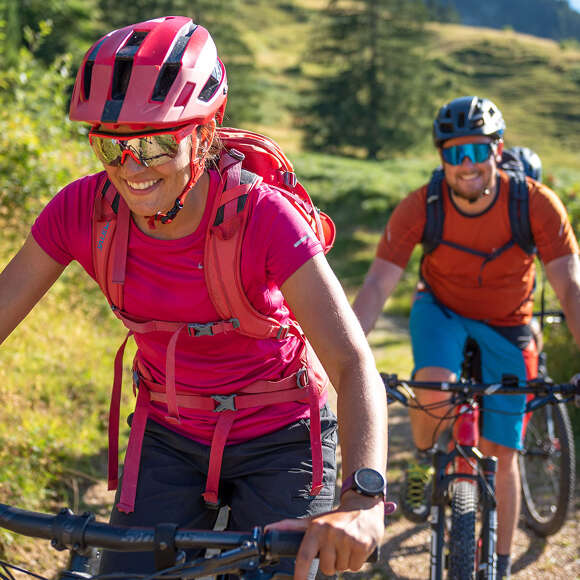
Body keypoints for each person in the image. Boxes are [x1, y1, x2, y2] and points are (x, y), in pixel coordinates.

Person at [0, 16, 388, 580]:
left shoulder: (263, 218)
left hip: (280, 436)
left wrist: (362, 503)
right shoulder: (81, 210)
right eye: (110, 147)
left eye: (157, 143)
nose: (131, 168)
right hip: (169, 432)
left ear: (204, 135)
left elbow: (353, 364)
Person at [352, 95, 580, 578]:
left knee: (504, 452)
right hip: (441, 312)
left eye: (478, 150)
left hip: (509, 325)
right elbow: (375, 286)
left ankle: (496, 564)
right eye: (455, 153)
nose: (468, 164)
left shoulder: (536, 204)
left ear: (498, 150)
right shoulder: (422, 206)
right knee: (432, 389)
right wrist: (348, 359)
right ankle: (423, 457)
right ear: (442, 159)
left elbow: (569, 285)